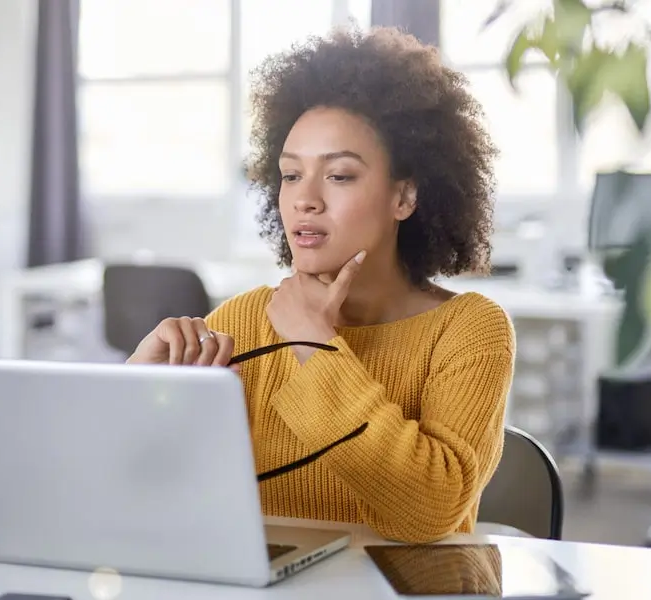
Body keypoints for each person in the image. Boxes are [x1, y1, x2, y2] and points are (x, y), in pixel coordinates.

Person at [126, 26, 515, 544]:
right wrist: (135, 388)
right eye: (290, 176)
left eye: (339, 175)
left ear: (404, 197)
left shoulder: (469, 331)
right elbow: (142, 487)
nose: (304, 199)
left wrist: (313, 343)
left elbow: (426, 512)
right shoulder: (243, 320)